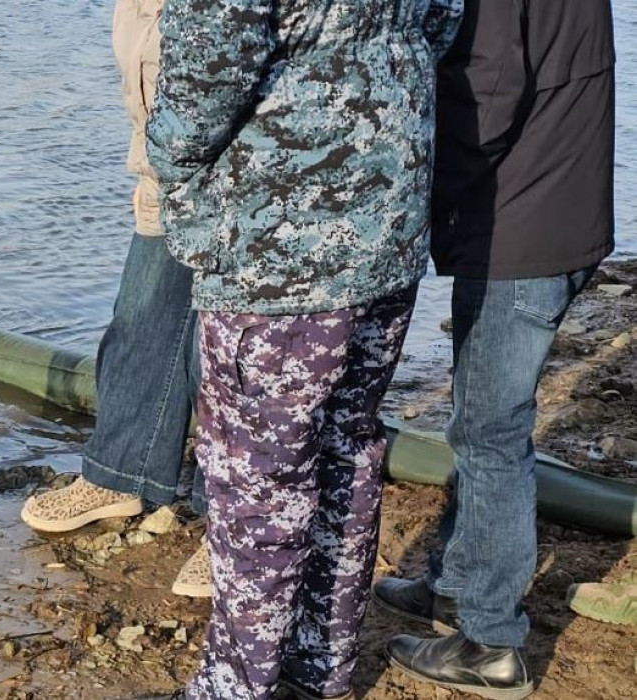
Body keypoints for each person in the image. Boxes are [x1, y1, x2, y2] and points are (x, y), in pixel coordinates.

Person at [147, 1, 463, 698]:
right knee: (346, 449)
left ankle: (240, 684)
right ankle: (320, 669)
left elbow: (208, 65)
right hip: (390, 209)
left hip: (280, 239)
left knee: (258, 476)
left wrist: (168, 157)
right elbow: (441, 19)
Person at [377, 2, 615, 698]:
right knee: (483, 420)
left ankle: (490, 642)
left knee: (489, 431)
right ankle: (455, 579)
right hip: (563, 208)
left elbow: (489, 94)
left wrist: (424, 201)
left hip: (522, 230)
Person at [19, 0, 211, 600]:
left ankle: (229, 521)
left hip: (237, 183)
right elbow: (148, 80)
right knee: (138, 318)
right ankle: (120, 474)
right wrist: (149, 169)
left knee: (230, 354)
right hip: (167, 171)